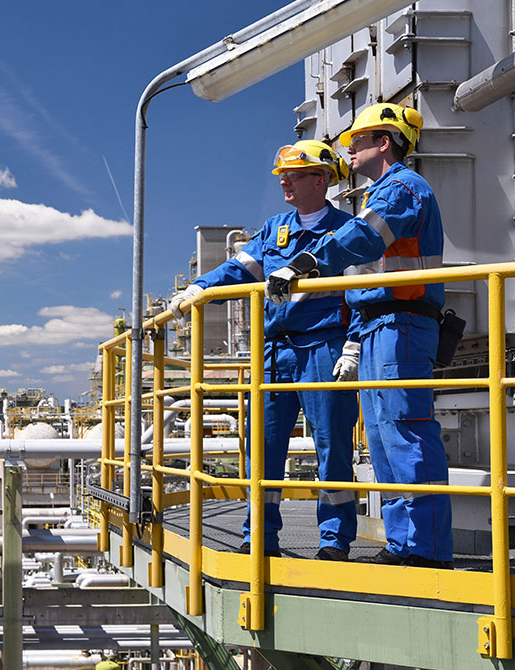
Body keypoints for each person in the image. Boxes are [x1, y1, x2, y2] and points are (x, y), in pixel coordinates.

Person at [264, 103, 453, 569]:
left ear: (383, 142)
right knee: (385, 441)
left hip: (401, 322)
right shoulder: (377, 194)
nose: (347, 149)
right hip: (376, 325)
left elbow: (363, 240)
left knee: (404, 433)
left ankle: (426, 550)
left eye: (357, 141)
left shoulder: (403, 188)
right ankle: (404, 543)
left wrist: (304, 263)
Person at [170, 139, 359, 561]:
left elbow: (364, 295)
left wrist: (353, 344)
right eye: (282, 176)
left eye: (294, 175)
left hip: (324, 346)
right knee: (263, 447)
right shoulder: (276, 229)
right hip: (274, 352)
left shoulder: (347, 233)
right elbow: (239, 268)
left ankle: (333, 541)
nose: (285, 182)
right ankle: (259, 535)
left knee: (332, 447)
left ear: (322, 179)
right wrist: (199, 288)